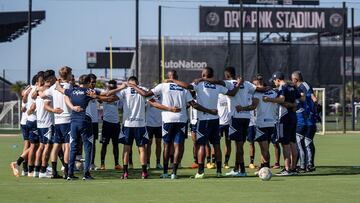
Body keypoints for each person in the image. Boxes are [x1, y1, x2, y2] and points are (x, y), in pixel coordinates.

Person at [134, 70, 218, 179]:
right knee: (178, 145)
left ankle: (165, 172)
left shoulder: (162, 86)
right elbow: (193, 104)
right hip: (181, 120)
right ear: (176, 77)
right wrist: (210, 111)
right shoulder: (183, 88)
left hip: (168, 120)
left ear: (167, 77)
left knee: (166, 145)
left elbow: (145, 94)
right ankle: (174, 172)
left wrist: (133, 86)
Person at [169, 67, 240, 178]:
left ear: (203, 74)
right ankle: (219, 172)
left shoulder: (199, 83)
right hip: (216, 120)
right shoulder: (218, 85)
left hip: (203, 120)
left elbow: (187, 86)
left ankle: (201, 172)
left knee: (201, 145)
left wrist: (172, 80)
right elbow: (232, 93)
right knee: (216, 145)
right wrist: (239, 84)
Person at [56, 74, 98, 180]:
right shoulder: (88, 91)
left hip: (73, 122)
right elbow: (104, 96)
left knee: (73, 148)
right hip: (85, 121)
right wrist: (96, 96)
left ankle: (69, 173)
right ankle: (86, 174)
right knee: (88, 148)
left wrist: (57, 82)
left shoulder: (72, 91)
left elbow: (60, 89)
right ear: (88, 83)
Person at [265, 71, 301, 176]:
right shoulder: (292, 86)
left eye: (274, 81)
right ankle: (293, 168)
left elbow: (281, 99)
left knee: (285, 144)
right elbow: (300, 99)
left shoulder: (282, 87)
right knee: (292, 143)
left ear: (277, 79)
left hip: (283, 118)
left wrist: (269, 99)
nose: (274, 83)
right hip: (293, 118)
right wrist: (292, 104)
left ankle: (287, 169)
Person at [41, 66, 72, 179]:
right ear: (68, 75)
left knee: (56, 146)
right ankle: (67, 172)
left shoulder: (54, 87)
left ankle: (54, 172)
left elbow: (42, 95)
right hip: (68, 119)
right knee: (67, 146)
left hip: (57, 121)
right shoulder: (69, 86)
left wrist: (40, 87)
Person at [10, 75, 38, 177]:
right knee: (35, 145)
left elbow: (23, 106)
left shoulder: (27, 89)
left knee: (29, 145)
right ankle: (28, 168)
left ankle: (25, 169)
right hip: (31, 120)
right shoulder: (35, 90)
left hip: (24, 121)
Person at [291, 71, 318, 172]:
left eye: (292, 79)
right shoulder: (297, 89)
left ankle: (304, 165)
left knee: (303, 143)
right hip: (304, 120)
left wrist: (314, 105)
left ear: (295, 79)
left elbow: (313, 98)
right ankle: (307, 165)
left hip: (305, 120)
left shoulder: (304, 85)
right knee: (305, 142)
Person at [251, 75, 278, 172]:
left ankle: (266, 168)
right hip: (271, 123)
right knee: (266, 147)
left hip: (261, 123)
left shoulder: (256, 94)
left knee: (264, 148)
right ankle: (263, 166)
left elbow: (253, 107)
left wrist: (242, 108)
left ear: (256, 83)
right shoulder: (273, 92)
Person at [99, 80, 121, 171]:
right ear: (108, 87)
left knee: (116, 144)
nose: (112, 89)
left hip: (116, 123)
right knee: (104, 144)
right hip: (107, 123)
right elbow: (99, 99)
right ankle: (102, 164)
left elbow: (113, 99)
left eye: (114, 87)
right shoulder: (104, 94)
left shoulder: (118, 95)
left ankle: (117, 164)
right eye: (111, 88)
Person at [86, 73, 100, 170]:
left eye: (94, 82)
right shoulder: (86, 91)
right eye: (91, 82)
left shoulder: (95, 91)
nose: (93, 84)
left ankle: (91, 163)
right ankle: (81, 163)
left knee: (93, 143)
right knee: (83, 142)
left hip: (94, 121)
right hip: (86, 120)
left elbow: (102, 98)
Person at [145, 94, 163, 169]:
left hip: (159, 124)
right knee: (148, 144)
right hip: (149, 124)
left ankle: (158, 163)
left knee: (158, 144)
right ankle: (148, 163)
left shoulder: (163, 97)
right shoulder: (148, 98)